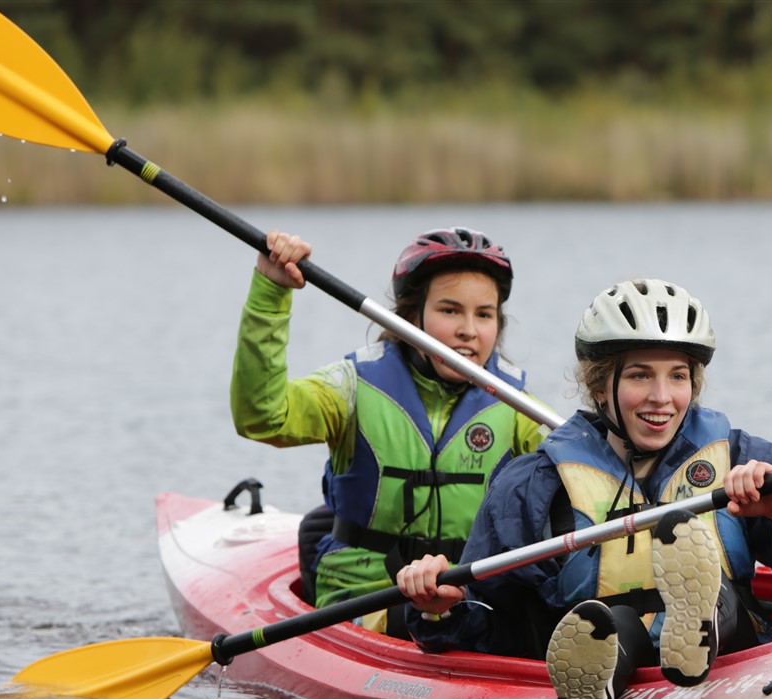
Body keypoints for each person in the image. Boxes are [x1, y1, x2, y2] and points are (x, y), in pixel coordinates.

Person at [396, 278, 772, 699]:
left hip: (733, 661)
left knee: (713, 596)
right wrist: (440, 609)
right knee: (608, 625)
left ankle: (693, 628)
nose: (661, 398)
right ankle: (596, 687)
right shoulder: (533, 484)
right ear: (598, 386)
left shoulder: (739, 458)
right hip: (612, 646)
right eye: (639, 375)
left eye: (678, 376)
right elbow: (495, 622)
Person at [231, 226, 547, 637]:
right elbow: (262, 416)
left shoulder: (516, 404)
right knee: (421, 620)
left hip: (468, 594)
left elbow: (580, 480)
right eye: (450, 311)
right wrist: (271, 294)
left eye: (484, 314)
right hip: (362, 596)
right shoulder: (350, 387)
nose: (469, 330)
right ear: (411, 316)